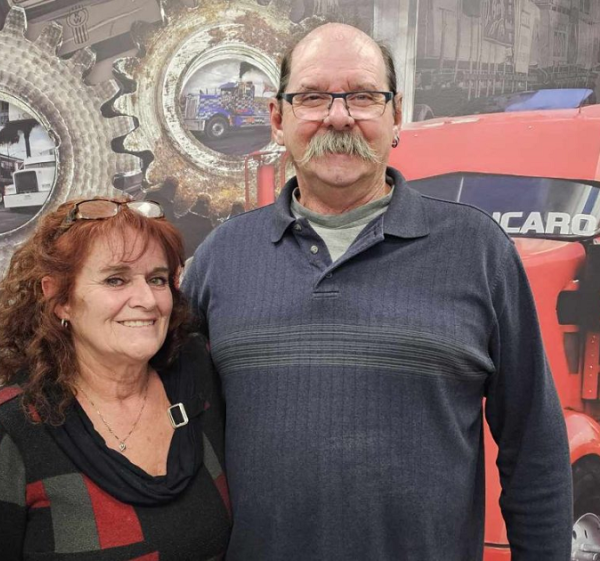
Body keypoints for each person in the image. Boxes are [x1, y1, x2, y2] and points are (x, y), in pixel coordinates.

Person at [181, 23, 572, 560]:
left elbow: (535, 448)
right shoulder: (222, 257)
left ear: (396, 116)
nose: (339, 116)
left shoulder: (476, 250)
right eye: (312, 97)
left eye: (363, 96)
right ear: (277, 119)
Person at [0, 198, 230, 560]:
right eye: (116, 279)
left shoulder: (198, 378)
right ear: (61, 299)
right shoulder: (5, 430)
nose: (148, 300)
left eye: (157, 279)